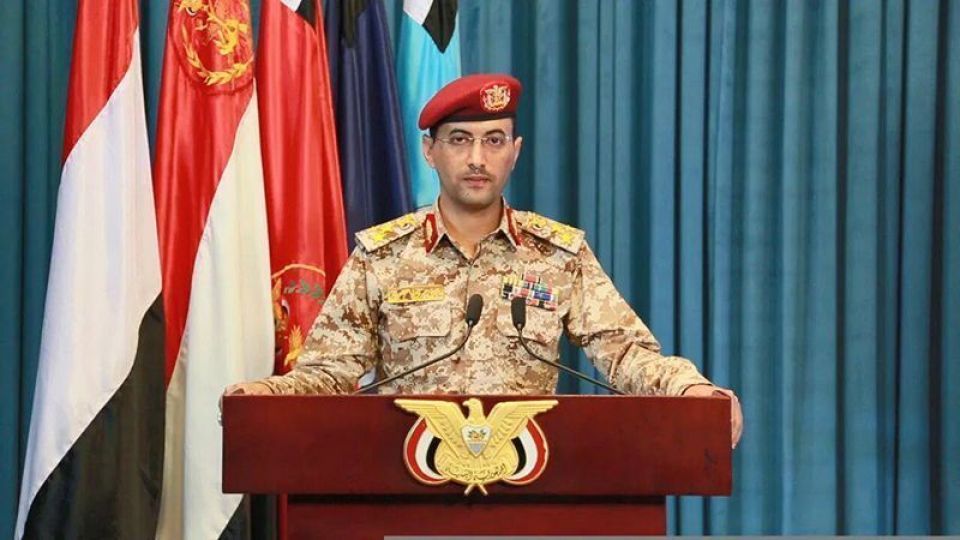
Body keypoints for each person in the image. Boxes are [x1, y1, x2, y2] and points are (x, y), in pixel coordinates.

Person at [225, 73, 743, 447]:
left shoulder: (557, 255)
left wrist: (690, 388)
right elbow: (330, 372)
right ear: (429, 151)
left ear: (515, 151)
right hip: (406, 486)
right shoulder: (382, 257)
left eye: (494, 141)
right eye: (460, 140)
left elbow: (626, 354)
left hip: (531, 484)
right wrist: (267, 393)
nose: (477, 159)